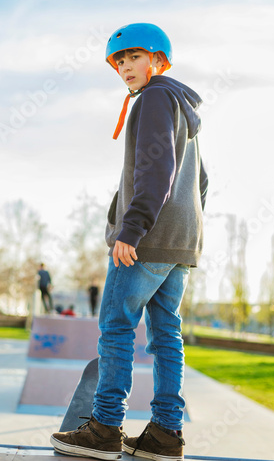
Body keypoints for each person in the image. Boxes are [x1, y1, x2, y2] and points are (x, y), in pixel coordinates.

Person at [50, 23, 208, 460]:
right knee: (166, 335)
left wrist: (132, 227)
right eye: (119, 61)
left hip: (146, 240)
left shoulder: (155, 97)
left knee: (116, 329)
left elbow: (154, 171)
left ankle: (104, 427)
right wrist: (186, 227)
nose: (124, 67)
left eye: (134, 57)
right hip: (180, 243)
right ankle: (165, 434)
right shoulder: (183, 109)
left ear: (158, 60)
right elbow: (202, 183)